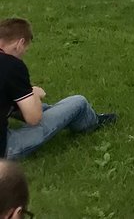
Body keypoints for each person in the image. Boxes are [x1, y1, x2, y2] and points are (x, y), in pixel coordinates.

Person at [0, 17, 117, 160]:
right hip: (6, 149)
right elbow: (33, 118)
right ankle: (91, 122)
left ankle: (63, 114)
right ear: (20, 44)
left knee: (27, 104)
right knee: (78, 102)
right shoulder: (12, 65)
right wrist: (33, 93)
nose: (23, 54)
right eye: (25, 49)